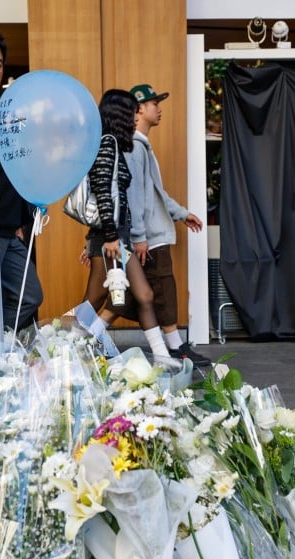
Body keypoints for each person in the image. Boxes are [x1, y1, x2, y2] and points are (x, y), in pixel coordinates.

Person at [94, 83, 209, 366]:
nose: (159, 109)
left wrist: (181, 213)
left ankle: (164, 354)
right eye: (153, 104)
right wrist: (137, 236)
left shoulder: (136, 145)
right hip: (134, 237)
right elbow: (126, 196)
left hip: (128, 236)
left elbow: (153, 192)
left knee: (134, 296)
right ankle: (69, 340)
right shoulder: (129, 146)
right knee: (141, 294)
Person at [77, 89, 171, 361]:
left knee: (144, 295)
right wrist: (108, 237)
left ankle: (163, 358)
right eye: (132, 112)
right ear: (120, 114)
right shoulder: (106, 143)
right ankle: (61, 347)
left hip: (118, 237)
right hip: (110, 239)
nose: (135, 118)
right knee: (92, 302)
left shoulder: (114, 145)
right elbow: (103, 193)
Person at [0, 28, 42, 331]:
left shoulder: (8, 111)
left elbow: (17, 166)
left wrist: (22, 221)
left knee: (30, 295)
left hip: (10, 229)